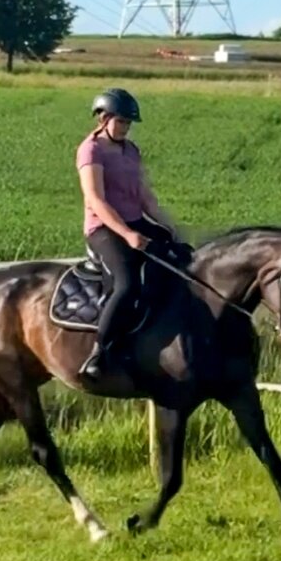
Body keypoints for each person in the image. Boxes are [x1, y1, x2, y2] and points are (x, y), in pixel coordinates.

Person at [75, 87, 189, 379]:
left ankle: (157, 332)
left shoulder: (131, 150)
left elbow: (145, 198)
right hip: (104, 227)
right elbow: (96, 200)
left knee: (181, 258)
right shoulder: (91, 150)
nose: (125, 128)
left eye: (128, 123)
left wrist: (170, 227)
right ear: (103, 118)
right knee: (126, 285)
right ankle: (98, 354)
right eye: (121, 122)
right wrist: (127, 234)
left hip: (135, 221)